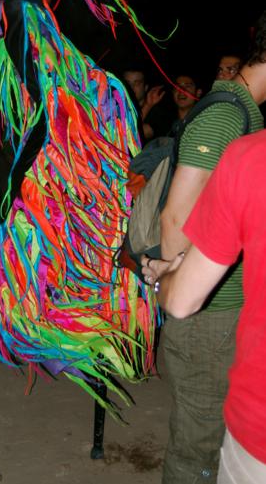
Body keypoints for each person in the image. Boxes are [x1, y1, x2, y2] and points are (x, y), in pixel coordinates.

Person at [0, 0, 160, 405]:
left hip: (36, 21)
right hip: (19, 15)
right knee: (57, 110)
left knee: (99, 98)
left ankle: (86, 204)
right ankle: (19, 196)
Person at [141, 12, 266, 483]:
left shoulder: (241, 115)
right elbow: (176, 219)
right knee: (198, 446)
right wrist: (181, 286)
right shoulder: (226, 116)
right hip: (208, 313)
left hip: (221, 306)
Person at [157, 129, 266, 483]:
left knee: (198, 438)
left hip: (258, 431)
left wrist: (164, 278)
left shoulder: (252, 154)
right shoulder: (224, 120)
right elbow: (174, 221)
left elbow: (181, 297)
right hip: (217, 310)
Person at [123, 68, 165, 140]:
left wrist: (147, 106)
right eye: (127, 83)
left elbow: (128, 135)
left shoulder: (156, 113)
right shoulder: (114, 108)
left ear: (145, 87)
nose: (131, 87)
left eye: (137, 83)